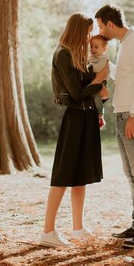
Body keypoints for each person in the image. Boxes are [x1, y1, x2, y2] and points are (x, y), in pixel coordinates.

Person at [40, 13, 109, 248]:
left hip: (87, 117)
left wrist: (98, 107)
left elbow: (84, 86)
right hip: (74, 120)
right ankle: (48, 232)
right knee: (63, 175)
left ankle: (78, 228)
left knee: (80, 177)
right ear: (79, 31)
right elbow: (77, 94)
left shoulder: (76, 55)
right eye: (88, 32)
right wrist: (99, 80)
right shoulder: (62, 54)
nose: (90, 37)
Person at [95, 4, 134, 247]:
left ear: (111, 24)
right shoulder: (124, 46)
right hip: (121, 115)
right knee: (131, 175)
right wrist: (102, 65)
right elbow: (122, 78)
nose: (101, 31)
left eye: (101, 26)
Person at [89, 34, 110, 129]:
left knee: (97, 98)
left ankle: (100, 117)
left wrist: (88, 66)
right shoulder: (92, 58)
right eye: (91, 47)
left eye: (96, 47)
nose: (93, 49)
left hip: (101, 83)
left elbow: (97, 68)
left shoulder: (104, 58)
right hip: (95, 81)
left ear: (104, 49)